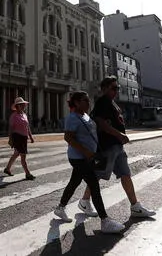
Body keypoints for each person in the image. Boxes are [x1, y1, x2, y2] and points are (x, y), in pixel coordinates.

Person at [81, 77, 155, 219]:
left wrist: (119, 137)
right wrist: (119, 134)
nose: (116, 91)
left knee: (125, 174)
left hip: (117, 146)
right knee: (97, 175)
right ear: (104, 88)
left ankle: (135, 206)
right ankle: (85, 201)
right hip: (107, 145)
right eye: (113, 88)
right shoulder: (103, 102)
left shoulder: (111, 103)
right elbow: (100, 122)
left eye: (117, 88)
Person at [53, 91, 125, 233]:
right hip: (78, 158)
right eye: (85, 100)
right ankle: (105, 221)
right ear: (77, 102)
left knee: (74, 182)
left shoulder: (86, 116)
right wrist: (86, 151)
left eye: (88, 100)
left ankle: (60, 208)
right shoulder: (72, 117)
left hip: (89, 157)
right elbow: (68, 138)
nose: (88, 103)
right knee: (94, 185)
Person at [4, 96, 35, 180]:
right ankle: (27, 174)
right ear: (17, 106)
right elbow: (10, 128)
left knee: (16, 153)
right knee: (23, 156)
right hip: (17, 137)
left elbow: (27, 126)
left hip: (24, 138)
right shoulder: (13, 116)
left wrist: (31, 136)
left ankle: (7, 169)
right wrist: (10, 139)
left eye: (24, 104)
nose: (24, 106)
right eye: (22, 105)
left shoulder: (24, 115)